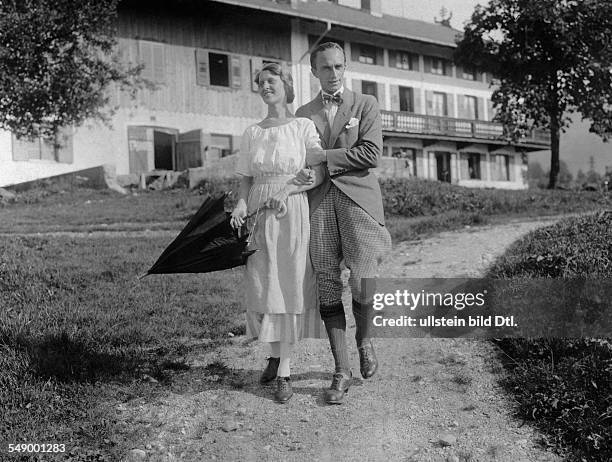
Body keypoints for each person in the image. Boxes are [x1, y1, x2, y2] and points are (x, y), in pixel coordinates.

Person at [295, 42, 392, 405]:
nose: (333, 74)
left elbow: (371, 154)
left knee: (364, 279)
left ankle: (365, 340)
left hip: (358, 200)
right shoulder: (303, 113)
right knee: (326, 281)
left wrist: (326, 155)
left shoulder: (365, 104)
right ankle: (341, 370)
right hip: (318, 202)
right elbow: (300, 160)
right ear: (314, 72)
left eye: (338, 67)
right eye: (325, 68)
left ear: (346, 67)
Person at [230, 63, 324, 404]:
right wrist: (241, 205)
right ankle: (272, 353)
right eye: (260, 83)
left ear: (286, 85)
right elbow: (245, 178)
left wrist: (285, 193)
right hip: (257, 213)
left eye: (271, 81)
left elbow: (314, 172)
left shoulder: (302, 126)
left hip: (289, 209)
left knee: (286, 288)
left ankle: (285, 370)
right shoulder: (252, 132)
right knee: (261, 286)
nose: (265, 86)